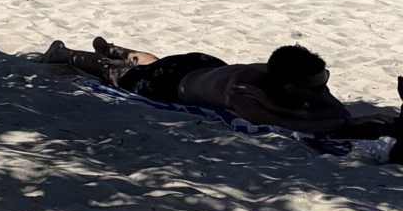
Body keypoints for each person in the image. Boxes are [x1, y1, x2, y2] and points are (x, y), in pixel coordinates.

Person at [44, 37, 380, 135]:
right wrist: (339, 125)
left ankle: (119, 49)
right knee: (118, 76)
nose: (324, 89)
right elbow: (274, 123)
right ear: (292, 87)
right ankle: (68, 54)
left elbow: (336, 111)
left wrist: (345, 119)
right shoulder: (246, 92)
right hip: (174, 81)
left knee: (152, 61)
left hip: (207, 65)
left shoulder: (297, 76)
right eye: (319, 84)